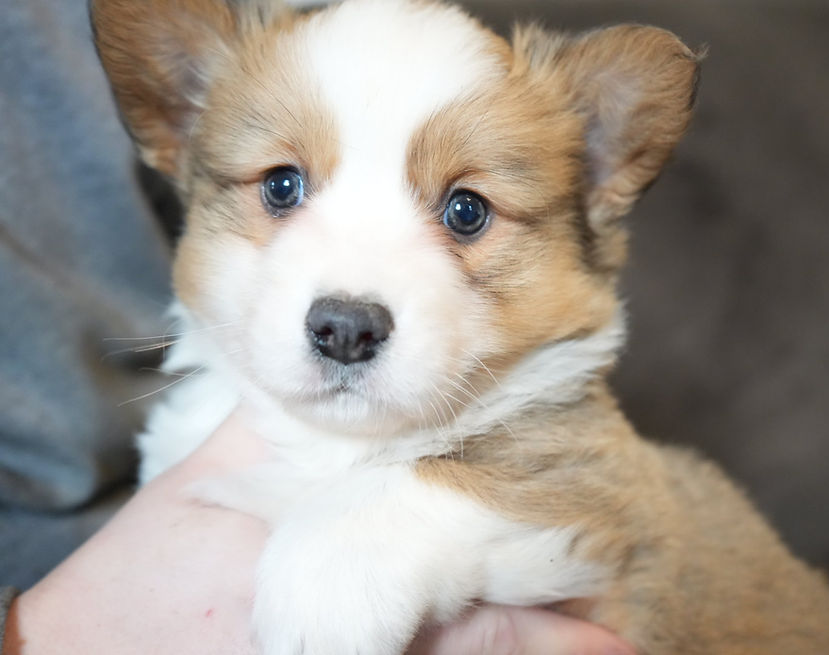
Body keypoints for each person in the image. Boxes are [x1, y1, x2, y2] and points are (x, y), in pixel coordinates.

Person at [0, 0, 632, 652]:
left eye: (465, 212)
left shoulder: (566, 460)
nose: (350, 310)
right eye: (282, 187)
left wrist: (405, 523)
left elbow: (605, 518)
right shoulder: (181, 446)